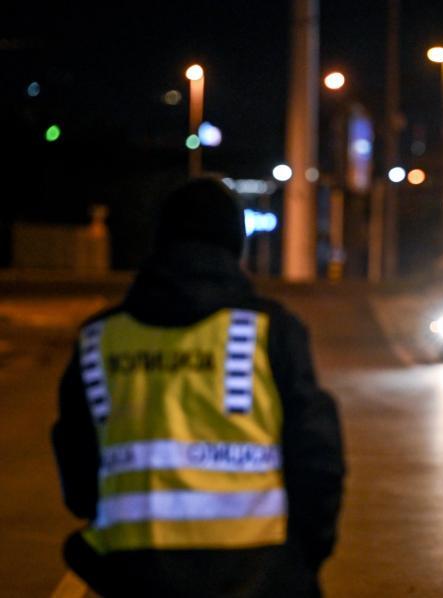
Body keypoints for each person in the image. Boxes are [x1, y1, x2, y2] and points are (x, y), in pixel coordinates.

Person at [52, 178, 345, 598]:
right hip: (258, 573)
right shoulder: (271, 331)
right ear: (234, 245)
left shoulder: (100, 338)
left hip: (133, 574)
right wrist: (303, 557)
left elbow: (76, 457)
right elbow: (317, 456)